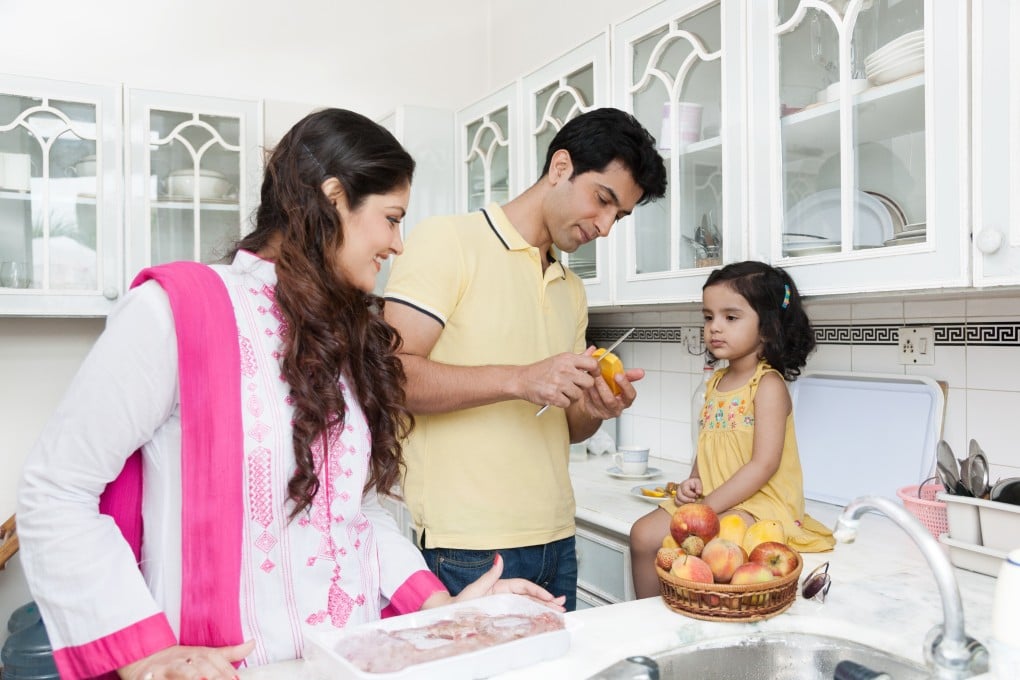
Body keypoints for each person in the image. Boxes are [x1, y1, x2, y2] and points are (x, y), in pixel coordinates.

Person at [16, 108, 563, 680]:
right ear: (333, 198)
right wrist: (144, 655)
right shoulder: (176, 311)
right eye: (391, 218)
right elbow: (56, 490)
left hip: (353, 661)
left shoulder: (342, 335)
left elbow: (357, 512)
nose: (398, 244)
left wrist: (440, 609)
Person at [382, 108, 668, 611]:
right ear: (560, 167)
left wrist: (595, 409)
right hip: (470, 546)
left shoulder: (571, 289)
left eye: (618, 216)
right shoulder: (447, 241)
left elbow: (567, 427)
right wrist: (521, 379)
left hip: (557, 536)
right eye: (602, 200)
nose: (604, 227)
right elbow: (391, 377)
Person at [629, 261, 835, 599]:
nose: (715, 328)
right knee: (642, 534)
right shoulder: (716, 382)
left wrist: (706, 508)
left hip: (759, 503)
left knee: (717, 544)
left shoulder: (767, 386)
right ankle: (650, 622)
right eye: (709, 317)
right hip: (714, 497)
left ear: (767, 328)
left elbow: (763, 465)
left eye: (731, 317)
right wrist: (693, 483)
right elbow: (708, 442)